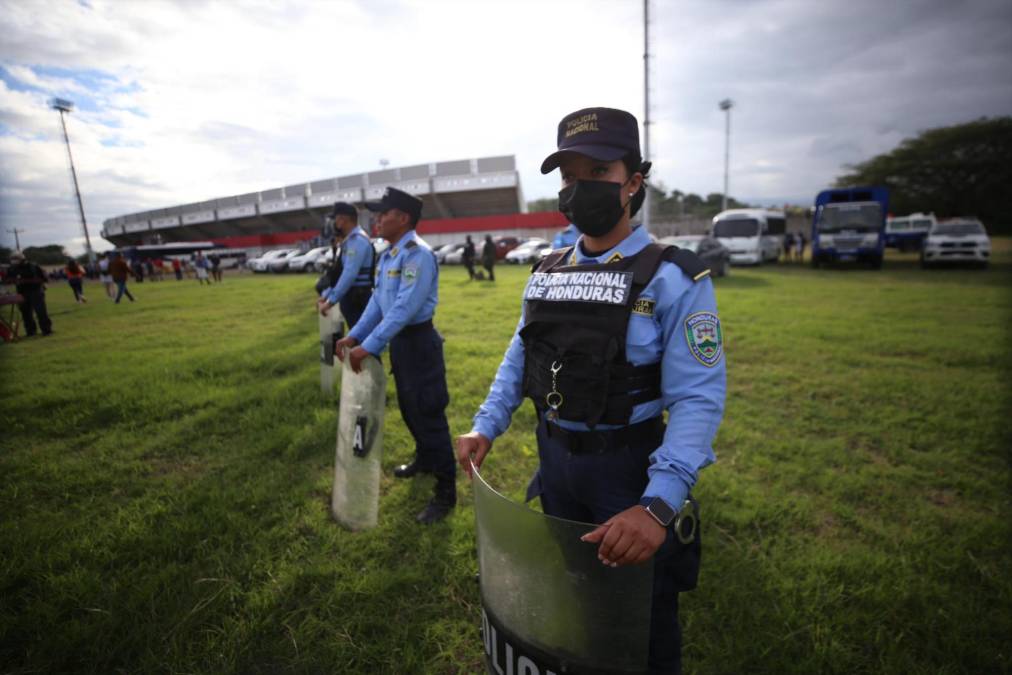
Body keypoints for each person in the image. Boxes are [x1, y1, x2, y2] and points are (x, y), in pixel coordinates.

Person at [456, 107, 726, 674]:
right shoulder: (547, 270)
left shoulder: (673, 277)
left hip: (628, 470)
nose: (579, 189)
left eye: (597, 172)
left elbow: (698, 398)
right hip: (555, 463)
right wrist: (486, 424)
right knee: (582, 596)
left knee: (646, 619)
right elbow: (520, 356)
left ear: (632, 183)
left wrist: (656, 507)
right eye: (568, 175)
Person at [334, 187, 456, 525]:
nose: (376, 219)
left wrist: (368, 346)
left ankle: (446, 492)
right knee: (409, 408)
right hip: (402, 346)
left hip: (419, 344)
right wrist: (355, 334)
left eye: (382, 213)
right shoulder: (388, 255)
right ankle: (425, 459)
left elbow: (403, 309)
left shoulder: (418, 255)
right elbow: (378, 303)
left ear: (402, 218)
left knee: (429, 414)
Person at [318, 202, 375, 329]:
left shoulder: (357, 240)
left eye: (336, 218)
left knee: (360, 341)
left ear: (343, 219)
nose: (335, 223)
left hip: (358, 298)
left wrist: (330, 301)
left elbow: (349, 274)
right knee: (356, 339)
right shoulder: (350, 240)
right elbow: (339, 273)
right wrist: (326, 295)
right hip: (353, 297)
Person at [7, 251, 53, 336]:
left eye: (15, 259)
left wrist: (26, 281)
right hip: (21, 293)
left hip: (36, 291)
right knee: (26, 313)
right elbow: (8, 279)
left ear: (22, 258)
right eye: (12, 259)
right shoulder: (12, 268)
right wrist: (14, 281)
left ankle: (47, 330)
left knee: (41, 312)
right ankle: (31, 331)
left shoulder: (33, 266)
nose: (14, 261)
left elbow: (45, 278)